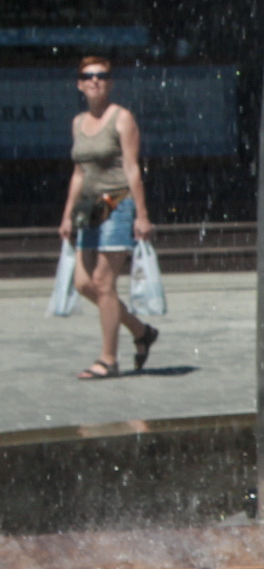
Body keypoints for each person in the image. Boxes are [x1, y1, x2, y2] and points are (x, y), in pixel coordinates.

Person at [58, 55, 157, 379]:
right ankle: (141, 331)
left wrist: (142, 215)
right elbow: (78, 173)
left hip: (117, 204)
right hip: (88, 209)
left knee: (103, 283)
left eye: (101, 75)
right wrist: (67, 215)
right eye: (88, 76)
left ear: (110, 82)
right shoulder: (78, 122)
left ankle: (108, 359)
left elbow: (132, 168)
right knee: (83, 283)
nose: (95, 80)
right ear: (79, 84)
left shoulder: (122, 118)